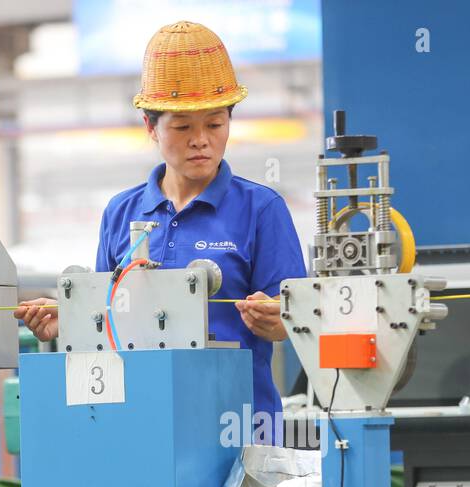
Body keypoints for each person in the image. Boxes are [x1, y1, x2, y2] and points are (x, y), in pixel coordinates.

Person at [15, 21, 305, 432]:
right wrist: (71, 320)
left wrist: (278, 321)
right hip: (139, 422)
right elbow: (106, 322)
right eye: (183, 127)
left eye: (215, 124)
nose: (201, 140)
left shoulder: (261, 210)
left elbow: (296, 321)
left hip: (238, 425)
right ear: (151, 127)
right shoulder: (121, 212)